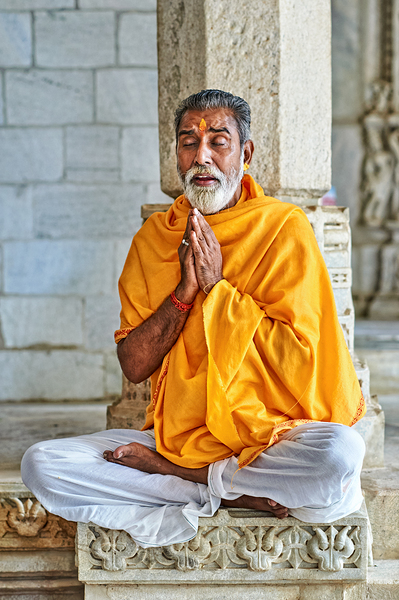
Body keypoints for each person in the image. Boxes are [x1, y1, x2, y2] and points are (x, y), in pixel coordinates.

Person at [21, 89, 366, 549]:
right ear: (177, 154)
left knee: (339, 458)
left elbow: (304, 362)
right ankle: (232, 491)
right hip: (178, 435)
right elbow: (135, 364)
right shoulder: (155, 240)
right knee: (41, 464)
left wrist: (218, 290)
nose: (201, 157)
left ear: (245, 154)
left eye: (218, 142)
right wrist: (185, 293)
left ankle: (187, 479)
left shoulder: (284, 230)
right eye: (189, 142)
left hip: (267, 439)